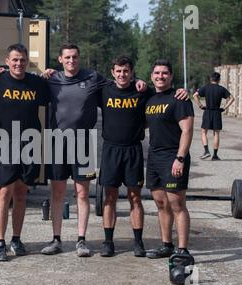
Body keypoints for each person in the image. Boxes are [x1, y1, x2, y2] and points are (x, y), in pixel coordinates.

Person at [40, 44, 147, 257]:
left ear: (79, 58)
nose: (72, 60)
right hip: (57, 139)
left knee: (82, 193)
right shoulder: (50, 79)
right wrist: (0, 71)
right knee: (58, 193)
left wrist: (139, 81)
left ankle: (81, 240)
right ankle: (56, 239)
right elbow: (23, 77)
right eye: (67, 57)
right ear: (60, 59)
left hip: (84, 140)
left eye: (75, 57)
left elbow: (121, 81)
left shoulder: (93, 77)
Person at [99, 56, 189, 258]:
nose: (122, 74)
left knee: (135, 197)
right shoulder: (104, 90)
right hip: (111, 150)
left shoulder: (143, 91)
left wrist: (185, 91)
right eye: (118, 71)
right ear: (113, 72)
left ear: (132, 73)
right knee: (110, 197)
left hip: (133, 150)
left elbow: (165, 90)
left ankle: (138, 242)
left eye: (126, 71)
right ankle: (108, 242)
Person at [0, 44, 49, 261]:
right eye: (14, 60)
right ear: (7, 61)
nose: (18, 63)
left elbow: (54, 86)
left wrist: (49, 74)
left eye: (22, 60)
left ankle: (16, 238)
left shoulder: (36, 83)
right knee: (4, 193)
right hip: (4, 142)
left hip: (29, 143)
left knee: (21, 193)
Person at [144, 59, 195, 259]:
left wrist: (180, 158)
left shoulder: (180, 99)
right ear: (151, 76)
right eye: (157, 73)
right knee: (160, 203)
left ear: (171, 76)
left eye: (165, 73)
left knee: (177, 204)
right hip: (154, 157)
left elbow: (187, 130)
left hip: (173, 157)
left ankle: (182, 250)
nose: (160, 76)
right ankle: (167, 245)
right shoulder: (150, 100)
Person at [193, 72, 235, 160]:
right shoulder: (221, 89)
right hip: (217, 112)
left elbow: (195, 95)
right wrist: (224, 108)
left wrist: (200, 105)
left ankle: (206, 151)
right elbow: (232, 98)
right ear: (219, 80)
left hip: (207, 111)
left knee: (204, 132)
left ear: (211, 79)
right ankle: (215, 155)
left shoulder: (205, 87)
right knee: (216, 133)